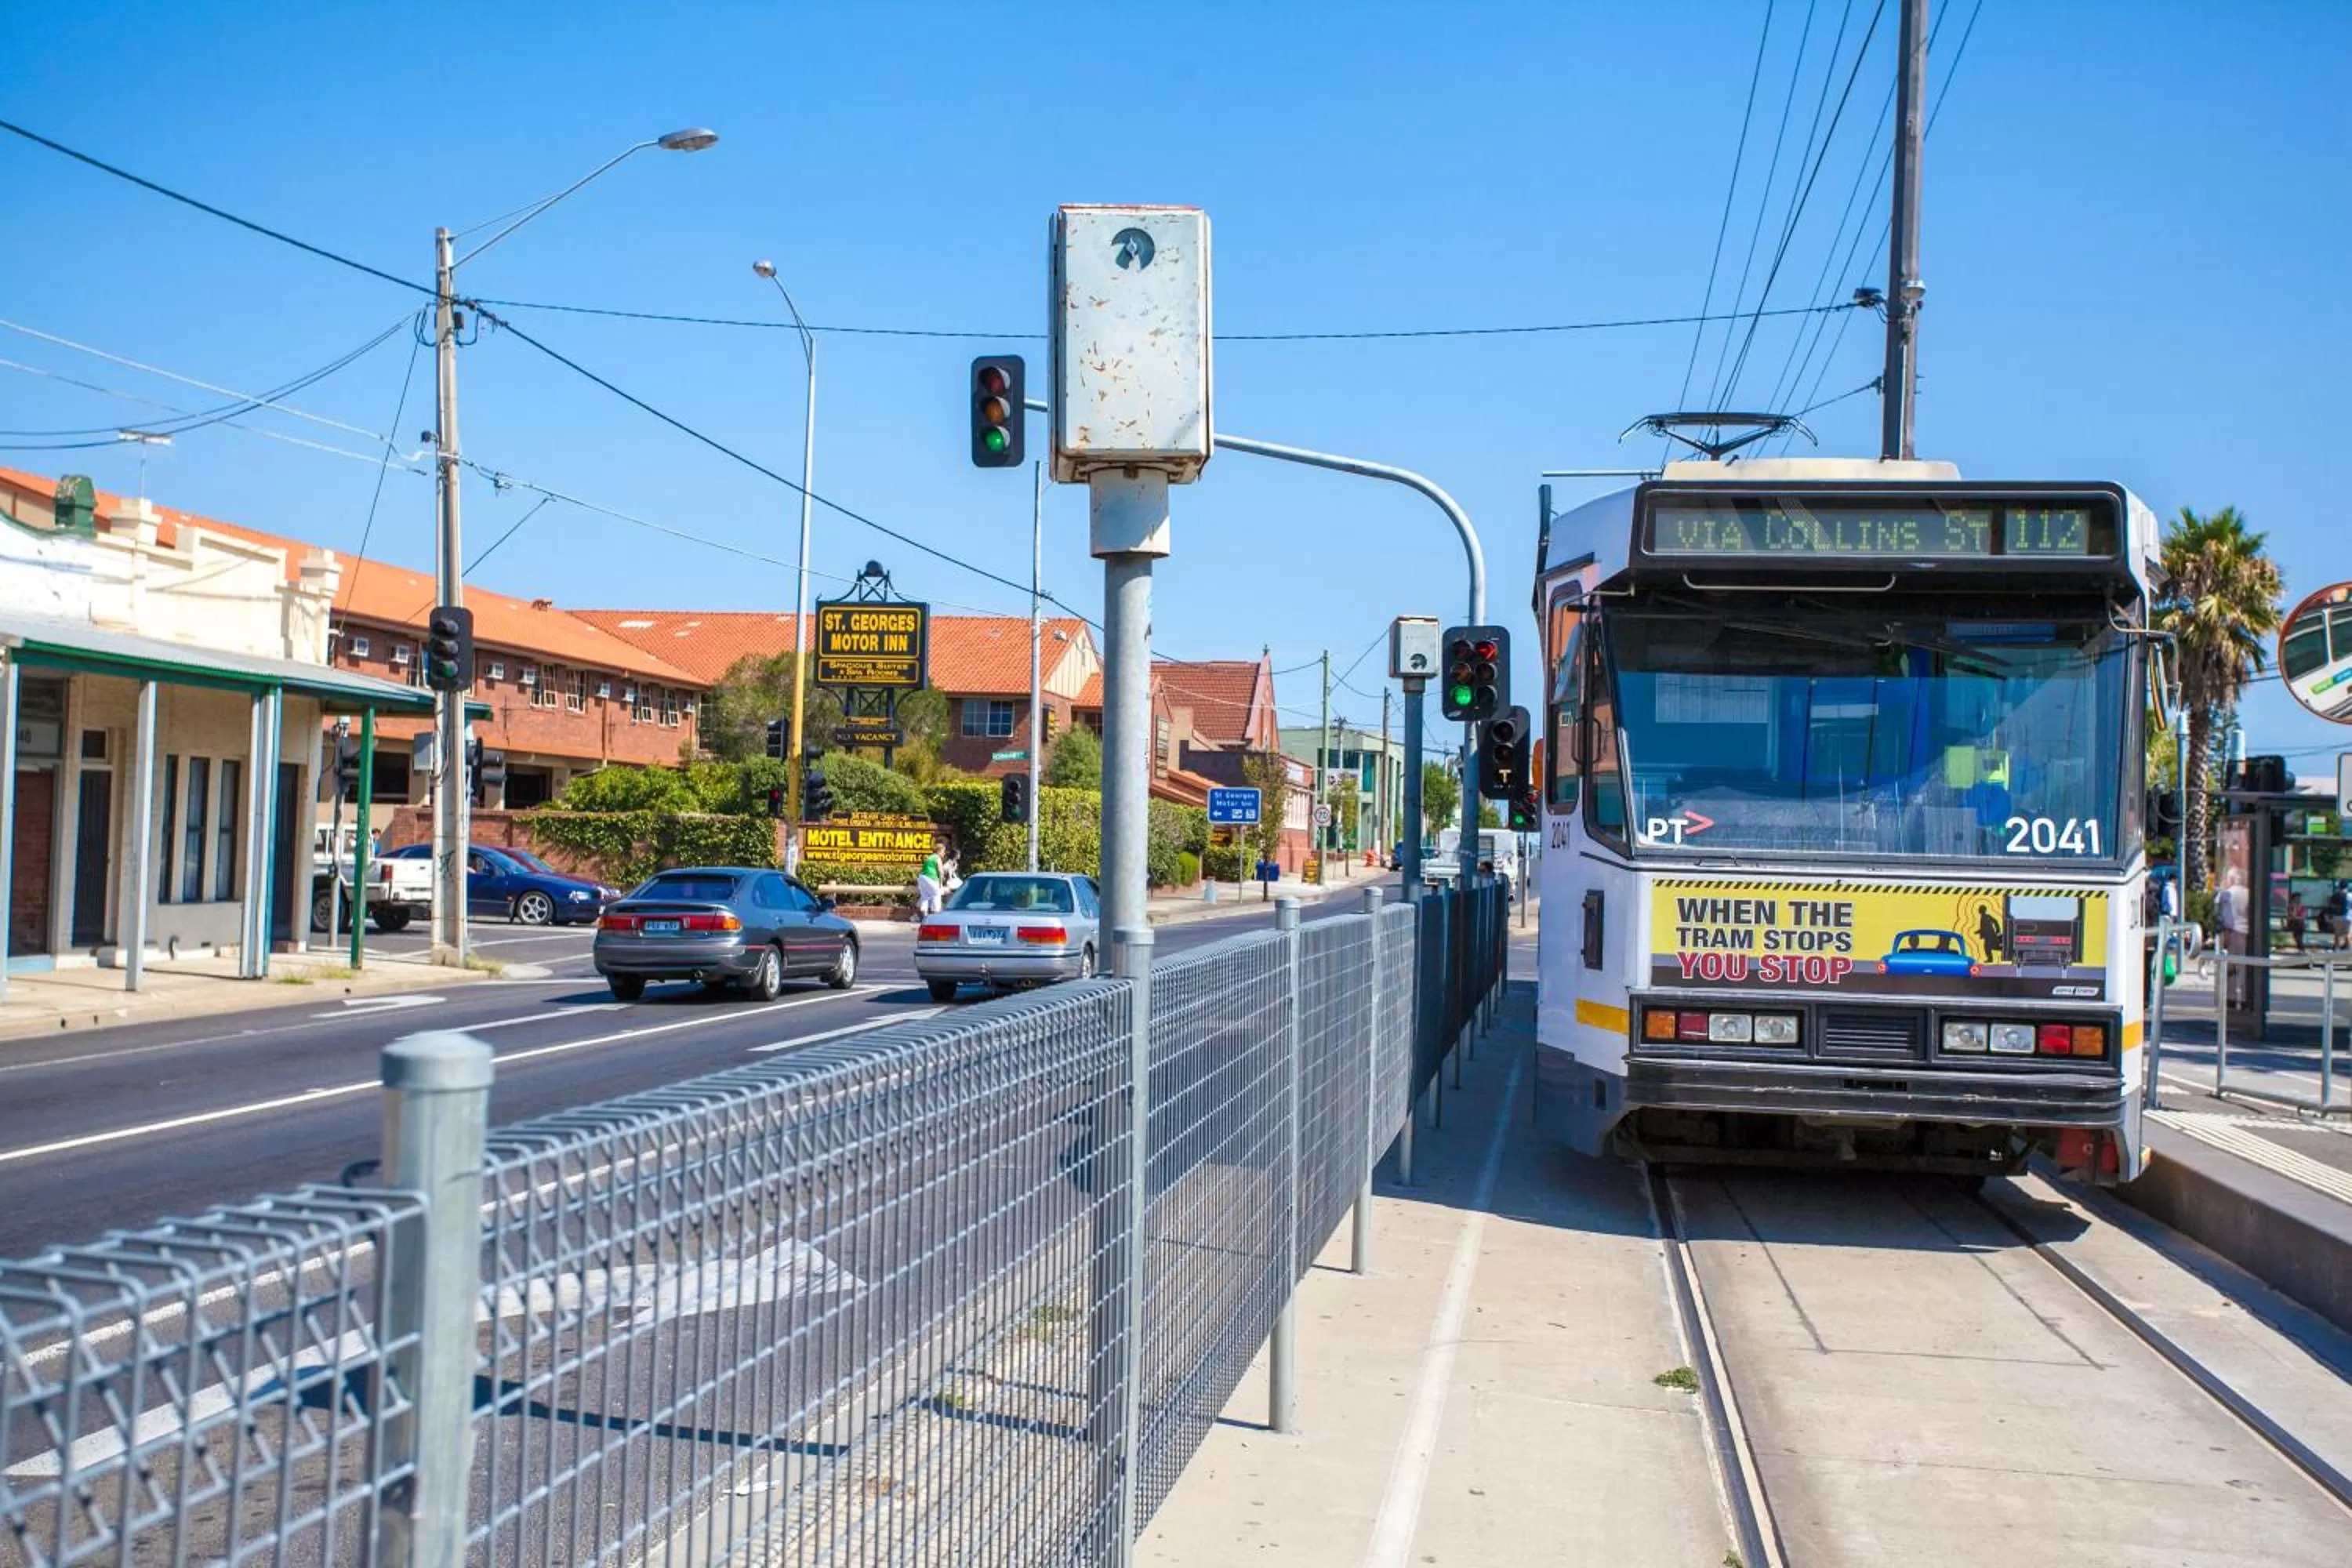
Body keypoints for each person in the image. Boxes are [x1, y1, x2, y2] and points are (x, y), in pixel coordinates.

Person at [915, 850, 943, 916]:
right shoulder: (937, 858)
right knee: (936, 894)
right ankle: (935, 915)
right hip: (931, 878)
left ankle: (924, 916)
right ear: (939, 851)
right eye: (943, 851)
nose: (944, 854)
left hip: (922, 877)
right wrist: (941, 884)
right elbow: (940, 871)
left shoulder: (929, 858)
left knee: (925, 896)